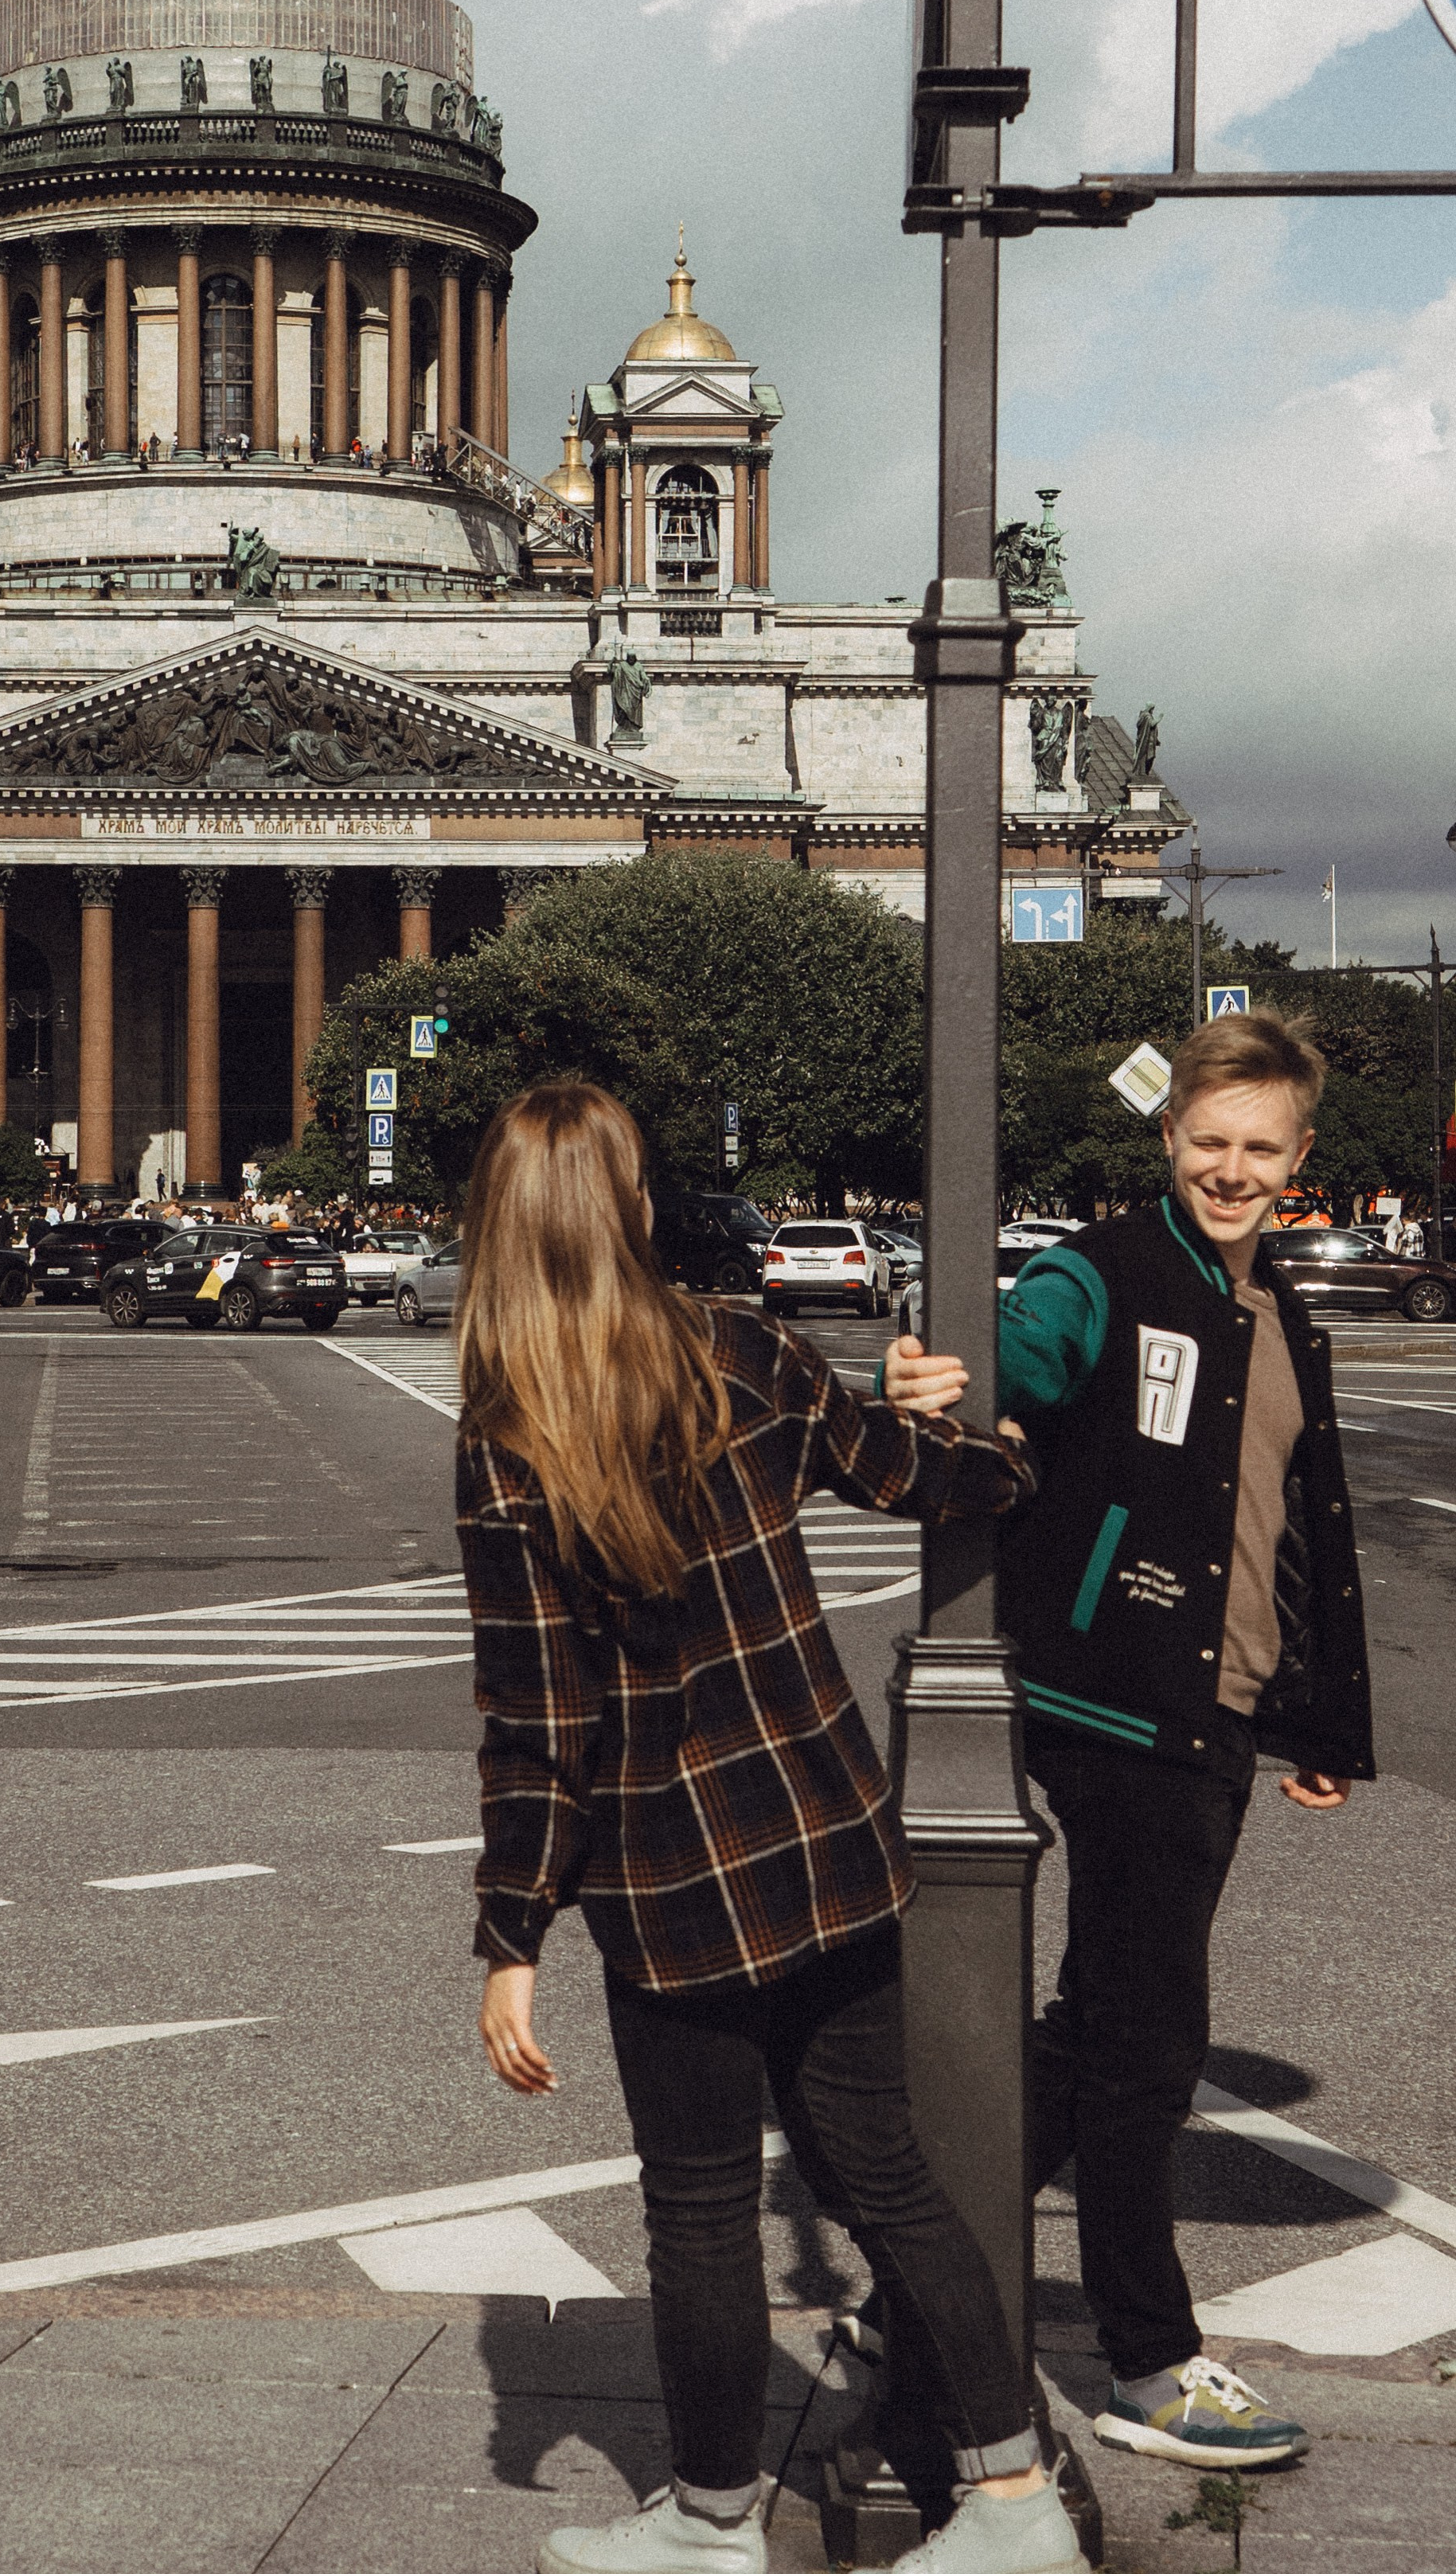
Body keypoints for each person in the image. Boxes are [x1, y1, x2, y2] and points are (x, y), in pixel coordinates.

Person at [457, 1083, 1081, 2574]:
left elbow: (540, 1724)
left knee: (698, 2210)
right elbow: (926, 1478)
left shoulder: (509, 1440)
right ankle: (1015, 2497)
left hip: (667, 1881)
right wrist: (990, 1437)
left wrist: (509, 1938)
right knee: (891, 2176)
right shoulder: (742, 1351)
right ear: (635, 1206)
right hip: (824, 1837)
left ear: (498, 1228)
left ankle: (713, 2518)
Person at [884, 1010, 1371, 2474]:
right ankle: (1146, 2358)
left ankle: (915, 2290)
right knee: (1148, 2045)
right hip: (1117, 1701)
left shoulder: (1275, 1307)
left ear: (1297, 1156)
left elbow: (1292, 1528)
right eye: (1208, 1140)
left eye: (1259, 1147)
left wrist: (1314, 1715)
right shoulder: (1101, 1270)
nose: (1231, 1169)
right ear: (1169, 1136)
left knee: (1090, 2026)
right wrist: (944, 1378)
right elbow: (1017, 1356)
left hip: (1214, 1707)